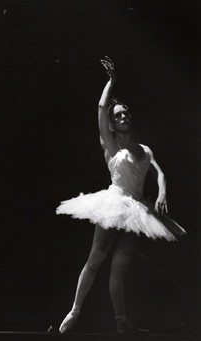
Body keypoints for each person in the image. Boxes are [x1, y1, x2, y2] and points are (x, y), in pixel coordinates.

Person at [56, 57, 185, 334]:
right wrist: (112, 81)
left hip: (136, 210)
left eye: (126, 113)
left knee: (121, 266)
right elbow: (102, 107)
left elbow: (159, 173)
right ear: (112, 125)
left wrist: (162, 193)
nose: (123, 116)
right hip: (115, 203)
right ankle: (75, 311)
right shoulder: (111, 145)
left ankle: (121, 321)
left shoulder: (144, 149)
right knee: (97, 257)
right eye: (119, 115)